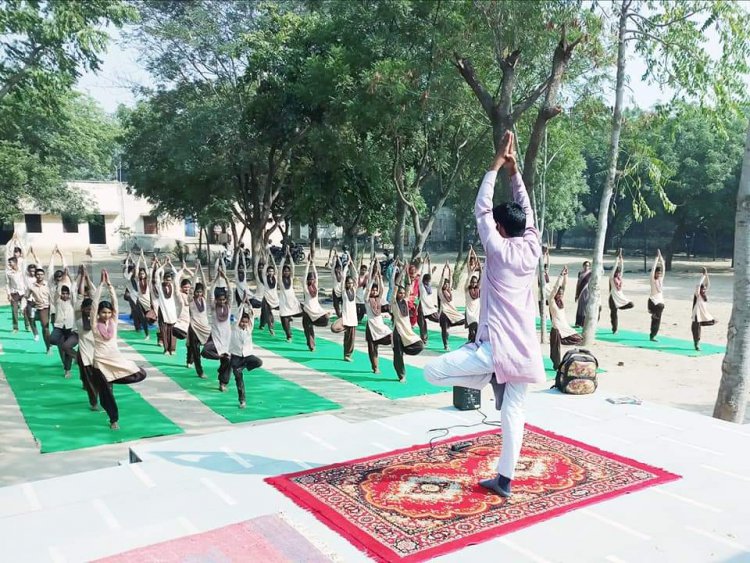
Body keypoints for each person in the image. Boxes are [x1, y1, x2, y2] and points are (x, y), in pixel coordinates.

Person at [423, 131, 545, 499]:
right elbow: (528, 210)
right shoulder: (533, 245)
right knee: (514, 409)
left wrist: (496, 164)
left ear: (502, 230)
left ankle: (485, 375)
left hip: (496, 349)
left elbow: (481, 208)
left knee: (431, 373)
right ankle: (504, 480)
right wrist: (514, 173)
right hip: (523, 348)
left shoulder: (498, 250)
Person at [91, 269, 147, 430]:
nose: (106, 315)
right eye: (103, 312)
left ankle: (113, 379)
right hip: (100, 362)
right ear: (99, 313)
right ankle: (113, 419)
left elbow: (115, 304)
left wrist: (110, 286)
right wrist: (101, 286)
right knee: (107, 394)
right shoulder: (95, 324)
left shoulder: (113, 321)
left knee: (140, 373)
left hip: (115, 359)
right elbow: (95, 304)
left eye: (108, 312)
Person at [391, 265, 424, 382]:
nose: (401, 294)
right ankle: (401, 375)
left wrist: (406, 272)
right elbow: (395, 286)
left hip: (407, 331)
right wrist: (401, 273)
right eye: (399, 293)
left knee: (420, 345)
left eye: (403, 293)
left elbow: (409, 286)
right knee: (398, 355)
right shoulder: (393, 302)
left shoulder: (405, 301)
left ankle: (404, 350)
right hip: (397, 332)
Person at [227, 301, 263, 408]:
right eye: (242, 322)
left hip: (247, 356)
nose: (244, 324)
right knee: (239, 379)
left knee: (259, 362)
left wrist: (249, 305)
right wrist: (241, 304)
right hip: (236, 357)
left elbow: (252, 315)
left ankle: (243, 367)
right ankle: (242, 400)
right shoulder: (234, 328)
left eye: (246, 322)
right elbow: (237, 316)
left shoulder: (249, 329)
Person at [201, 267, 233, 384]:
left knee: (228, 361)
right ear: (216, 300)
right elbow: (210, 293)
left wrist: (225, 278)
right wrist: (215, 279)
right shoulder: (213, 308)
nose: (222, 301)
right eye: (219, 300)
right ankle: (220, 357)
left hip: (227, 338)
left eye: (223, 300)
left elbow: (230, 292)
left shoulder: (228, 306)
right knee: (205, 351)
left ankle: (223, 382)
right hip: (215, 337)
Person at [548, 266, 583, 369]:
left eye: (561, 294)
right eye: (559, 293)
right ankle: (556, 365)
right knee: (555, 351)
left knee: (579, 338)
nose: (560, 295)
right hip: (556, 329)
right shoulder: (552, 301)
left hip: (565, 328)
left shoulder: (561, 302)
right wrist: (560, 276)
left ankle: (563, 360)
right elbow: (555, 288)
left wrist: (566, 275)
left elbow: (564, 286)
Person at [49, 268, 78, 378]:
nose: (65, 295)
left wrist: (69, 276)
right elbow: (56, 292)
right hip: (59, 327)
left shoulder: (72, 301)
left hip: (70, 328)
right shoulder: (57, 301)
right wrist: (62, 280)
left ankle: (67, 370)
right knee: (52, 340)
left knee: (67, 350)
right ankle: (71, 354)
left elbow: (74, 288)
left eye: (67, 293)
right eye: (63, 293)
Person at [364, 263, 392, 373]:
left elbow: (382, 289)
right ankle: (375, 367)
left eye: (375, 290)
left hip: (380, 325)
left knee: (391, 336)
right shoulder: (367, 300)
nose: (374, 292)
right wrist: (372, 275)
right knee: (372, 348)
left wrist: (379, 276)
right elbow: (367, 289)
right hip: (371, 326)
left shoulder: (378, 299)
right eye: (373, 290)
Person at [331, 258, 359, 361]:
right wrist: (347, 266)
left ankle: (348, 355)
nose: (350, 284)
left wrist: (352, 265)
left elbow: (356, 276)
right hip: (345, 317)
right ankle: (345, 354)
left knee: (351, 339)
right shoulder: (343, 291)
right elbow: (343, 278)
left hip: (353, 318)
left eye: (351, 283)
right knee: (346, 337)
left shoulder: (354, 290)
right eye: (348, 283)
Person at [301, 257, 330, 351]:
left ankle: (312, 341)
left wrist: (313, 264)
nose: (311, 281)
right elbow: (304, 276)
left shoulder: (316, 288)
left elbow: (317, 275)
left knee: (325, 318)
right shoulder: (306, 288)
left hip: (316, 311)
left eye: (312, 279)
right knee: (308, 329)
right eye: (310, 279)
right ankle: (311, 345)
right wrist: (308, 264)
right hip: (307, 311)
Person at [187, 262, 210, 378]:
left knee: (211, 345)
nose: (199, 293)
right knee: (195, 350)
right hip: (194, 327)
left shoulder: (204, 299)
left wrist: (201, 269)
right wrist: (196, 271)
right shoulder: (191, 300)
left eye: (200, 292)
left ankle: (189, 359)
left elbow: (205, 286)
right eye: (197, 292)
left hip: (205, 327)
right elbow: (191, 287)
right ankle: (200, 371)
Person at [437, 262, 465, 351]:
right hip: (445, 313)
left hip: (452, 313)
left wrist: (449, 270)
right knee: (444, 330)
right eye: (445, 284)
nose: (446, 285)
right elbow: (441, 282)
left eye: (447, 284)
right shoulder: (440, 292)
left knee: (464, 319)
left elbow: (450, 280)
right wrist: (443, 270)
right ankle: (446, 345)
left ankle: (450, 326)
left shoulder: (450, 292)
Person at [153, 258, 178, 355]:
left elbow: (176, 274)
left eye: (170, 280)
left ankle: (173, 349)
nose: (168, 282)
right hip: (163, 311)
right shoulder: (159, 286)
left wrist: (170, 264)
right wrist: (163, 265)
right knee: (164, 330)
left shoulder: (173, 286)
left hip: (172, 311)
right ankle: (166, 349)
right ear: (163, 279)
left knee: (172, 330)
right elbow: (156, 274)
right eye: (166, 280)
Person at [278, 248, 303, 342]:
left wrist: (290, 255)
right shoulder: (280, 280)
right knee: (284, 320)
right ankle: (289, 336)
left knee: (305, 311)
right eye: (285, 271)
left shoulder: (291, 278)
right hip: (284, 303)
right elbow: (280, 269)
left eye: (288, 271)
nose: (286, 272)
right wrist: (284, 257)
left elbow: (293, 266)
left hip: (293, 302)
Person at [27, 265, 52, 353]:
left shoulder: (48, 284)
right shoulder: (31, 286)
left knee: (58, 327)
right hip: (42, 308)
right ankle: (48, 347)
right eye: (38, 274)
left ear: (44, 275)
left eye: (41, 274)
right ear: (35, 275)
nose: (40, 276)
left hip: (52, 307)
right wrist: (28, 303)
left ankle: (53, 340)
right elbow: (26, 296)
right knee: (45, 328)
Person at [608, 249, 634, 334]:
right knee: (614, 314)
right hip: (613, 297)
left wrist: (621, 259)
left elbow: (622, 268)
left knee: (631, 304)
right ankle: (614, 329)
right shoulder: (612, 278)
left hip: (620, 297)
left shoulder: (620, 278)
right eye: (617, 273)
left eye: (619, 273)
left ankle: (619, 306)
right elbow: (614, 268)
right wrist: (616, 259)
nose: (618, 274)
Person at [691, 267, 716, 351]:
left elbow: (708, 285)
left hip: (703, 314)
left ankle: (697, 341)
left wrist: (707, 275)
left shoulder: (704, 295)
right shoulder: (697, 295)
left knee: (712, 321)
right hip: (697, 314)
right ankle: (696, 344)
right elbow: (698, 285)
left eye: (705, 289)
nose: (704, 290)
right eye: (703, 289)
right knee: (696, 330)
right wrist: (703, 276)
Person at [417, 254, 440, 344]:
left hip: (430, 307)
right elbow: (423, 272)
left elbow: (429, 273)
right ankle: (424, 339)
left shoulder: (429, 285)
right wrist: (424, 263)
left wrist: (429, 262)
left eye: (429, 280)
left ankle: (446, 325)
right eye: (427, 280)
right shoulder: (421, 285)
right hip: (422, 307)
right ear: (424, 280)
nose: (428, 282)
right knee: (422, 324)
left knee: (438, 319)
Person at [5, 255, 27, 332]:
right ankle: (15, 327)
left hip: (23, 292)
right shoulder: (8, 272)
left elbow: (26, 281)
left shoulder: (22, 271)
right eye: (9, 263)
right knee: (14, 310)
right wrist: (8, 294)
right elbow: (7, 284)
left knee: (25, 309)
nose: (9, 264)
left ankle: (27, 326)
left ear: (15, 262)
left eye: (10, 262)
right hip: (14, 293)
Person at [648, 249, 665, 342]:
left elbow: (664, 267)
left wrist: (661, 258)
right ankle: (653, 314)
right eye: (657, 273)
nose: (659, 274)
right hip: (653, 301)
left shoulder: (660, 280)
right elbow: (653, 269)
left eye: (659, 273)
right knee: (660, 307)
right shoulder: (652, 280)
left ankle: (653, 335)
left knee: (657, 320)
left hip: (660, 301)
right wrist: (656, 258)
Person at [259, 256, 279, 335]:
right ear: (267, 272)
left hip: (274, 298)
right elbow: (264, 270)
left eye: (272, 271)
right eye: (269, 271)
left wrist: (273, 259)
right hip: (266, 297)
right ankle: (270, 327)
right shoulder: (264, 278)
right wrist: (267, 261)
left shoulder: (276, 278)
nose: (271, 272)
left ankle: (263, 324)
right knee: (267, 312)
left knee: (264, 312)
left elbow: (276, 269)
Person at [465, 247, 481, 343]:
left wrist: (474, 253)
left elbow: (476, 260)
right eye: (471, 261)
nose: (472, 262)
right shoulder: (470, 269)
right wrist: (470, 252)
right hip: (470, 284)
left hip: (476, 285)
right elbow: (468, 261)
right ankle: (471, 337)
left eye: (473, 261)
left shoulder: (477, 267)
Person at [574, 260, 592, 328]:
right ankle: (578, 322)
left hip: (587, 292)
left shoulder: (591, 273)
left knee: (585, 308)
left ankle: (584, 323)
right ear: (583, 266)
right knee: (580, 307)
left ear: (589, 266)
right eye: (585, 265)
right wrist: (576, 294)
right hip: (580, 293)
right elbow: (578, 284)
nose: (586, 267)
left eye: (587, 265)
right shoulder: (580, 273)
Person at [327, 248, 344, 318]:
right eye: (337, 269)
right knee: (336, 305)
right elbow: (333, 266)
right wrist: (334, 257)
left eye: (339, 269)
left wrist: (338, 258)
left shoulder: (342, 274)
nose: (338, 270)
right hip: (335, 292)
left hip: (342, 291)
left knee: (344, 304)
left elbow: (341, 265)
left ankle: (343, 315)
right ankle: (338, 315)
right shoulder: (333, 274)